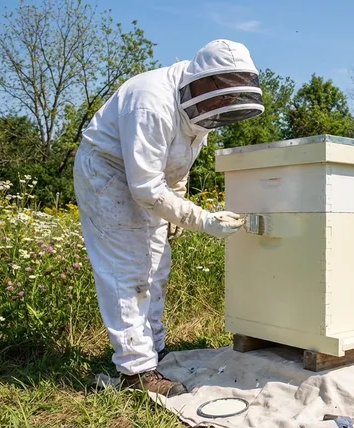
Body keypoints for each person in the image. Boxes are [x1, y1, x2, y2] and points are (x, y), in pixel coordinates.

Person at [72, 39, 264, 397]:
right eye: (222, 95)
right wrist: (201, 219)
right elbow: (145, 187)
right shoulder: (150, 103)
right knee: (127, 271)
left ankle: (154, 350)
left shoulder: (199, 108)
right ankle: (135, 371)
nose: (222, 105)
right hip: (108, 174)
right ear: (205, 81)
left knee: (157, 266)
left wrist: (177, 210)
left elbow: (176, 168)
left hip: (150, 180)